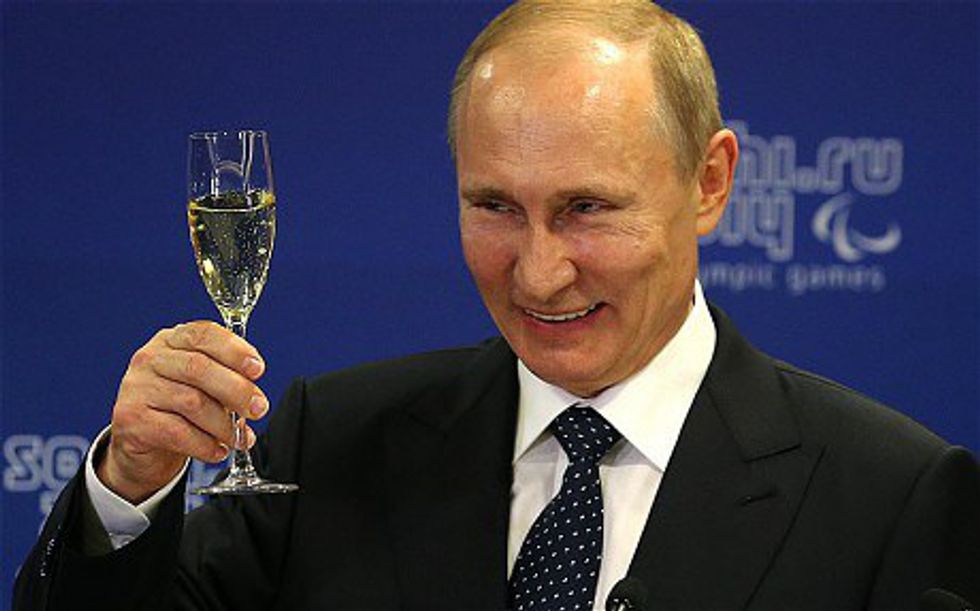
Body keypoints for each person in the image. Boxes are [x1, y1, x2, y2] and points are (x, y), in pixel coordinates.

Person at [14, 1, 979, 610]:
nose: (539, 272)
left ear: (710, 181)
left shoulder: (888, 494)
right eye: (495, 208)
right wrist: (130, 486)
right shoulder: (326, 445)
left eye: (587, 208)